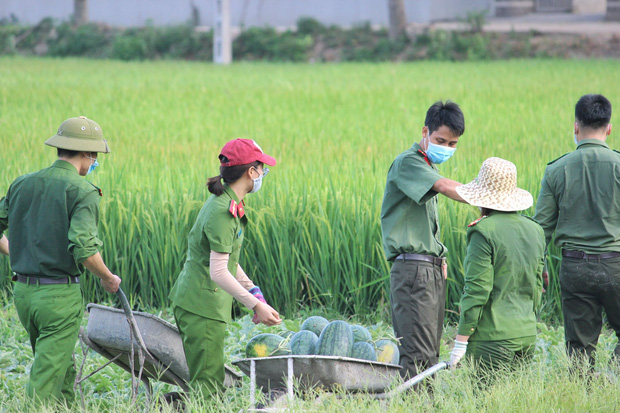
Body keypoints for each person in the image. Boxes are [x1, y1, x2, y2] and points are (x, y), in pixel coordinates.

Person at [0, 116, 121, 404]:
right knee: (45, 376)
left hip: (24, 294)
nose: (95, 162)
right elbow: (84, 248)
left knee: (60, 366)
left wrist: (14, 249)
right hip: (58, 297)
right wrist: (107, 277)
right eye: (95, 156)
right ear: (86, 154)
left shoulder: (22, 183)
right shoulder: (83, 191)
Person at [168, 138, 282, 399]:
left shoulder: (228, 204)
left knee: (208, 379)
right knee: (208, 388)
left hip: (203, 303)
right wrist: (255, 306)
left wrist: (252, 288)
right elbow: (218, 271)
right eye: (262, 168)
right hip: (201, 305)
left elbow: (226, 260)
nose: (264, 173)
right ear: (251, 172)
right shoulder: (223, 211)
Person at [380, 100, 466, 380]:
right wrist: (486, 196)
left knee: (430, 353)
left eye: (453, 144)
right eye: (441, 140)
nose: (447, 148)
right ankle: (415, 404)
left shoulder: (428, 166)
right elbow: (444, 187)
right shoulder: (410, 163)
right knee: (417, 355)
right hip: (413, 271)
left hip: (429, 269)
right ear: (425, 131)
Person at [534, 94, 620, 366]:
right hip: (616, 265)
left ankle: (583, 394)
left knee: (580, 347)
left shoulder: (556, 170)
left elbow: (541, 229)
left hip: (575, 268)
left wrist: (540, 265)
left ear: (575, 126)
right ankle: (614, 380)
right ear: (608, 127)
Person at [449, 157, 544, 371]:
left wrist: (461, 341)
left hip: (491, 340)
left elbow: (476, 290)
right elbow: (537, 285)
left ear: (481, 196)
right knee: (517, 403)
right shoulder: (535, 229)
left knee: (483, 404)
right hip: (527, 334)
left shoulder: (482, 231)